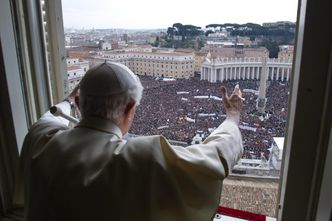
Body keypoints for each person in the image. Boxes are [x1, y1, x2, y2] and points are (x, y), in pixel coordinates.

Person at [17, 62, 243, 221]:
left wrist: (67, 102)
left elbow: (47, 118)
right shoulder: (142, 158)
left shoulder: (40, 140)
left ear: (78, 102)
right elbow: (217, 157)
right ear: (130, 109)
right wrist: (232, 117)